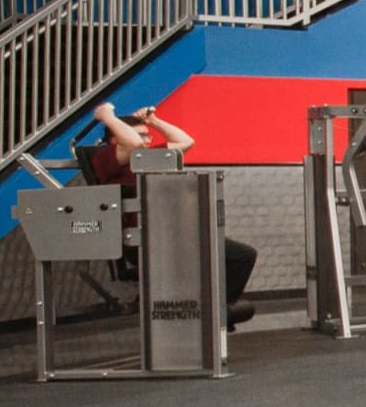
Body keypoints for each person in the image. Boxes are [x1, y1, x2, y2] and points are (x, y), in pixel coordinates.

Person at [89, 100, 257, 329]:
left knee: (243, 255)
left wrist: (153, 121)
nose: (147, 141)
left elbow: (185, 142)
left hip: (176, 234)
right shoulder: (107, 160)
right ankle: (213, 315)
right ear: (114, 139)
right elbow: (133, 142)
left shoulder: (148, 157)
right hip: (144, 240)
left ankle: (217, 311)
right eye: (142, 135)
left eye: (148, 136)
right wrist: (107, 116)